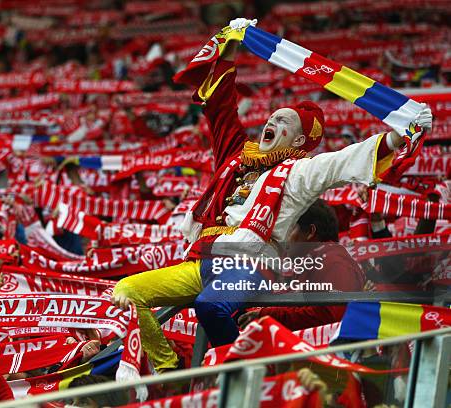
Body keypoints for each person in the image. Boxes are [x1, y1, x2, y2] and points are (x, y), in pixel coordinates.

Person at [112, 18, 433, 372]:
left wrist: (398, 135)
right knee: (127, 292)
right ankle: (169, 369)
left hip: (250, 265)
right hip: (201, 263)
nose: (271, 122)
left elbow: (342, 162)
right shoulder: (237, 157)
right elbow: (221, 109)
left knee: (211, 306)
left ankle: (242, 372)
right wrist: (231, 45)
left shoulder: (298, 172)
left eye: (284, 123)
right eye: (273, 117)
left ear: (298, 142)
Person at [238, 199, 365, 331]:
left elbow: (329, 315)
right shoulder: (313, 262)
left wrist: (265, 314)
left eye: (289, 228)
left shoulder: (335, 262)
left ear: (310, 232)